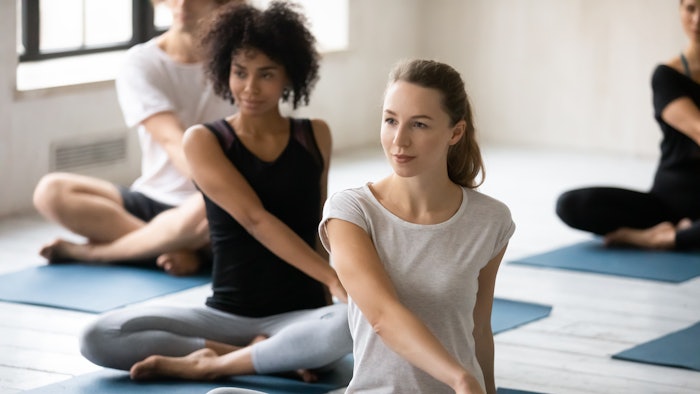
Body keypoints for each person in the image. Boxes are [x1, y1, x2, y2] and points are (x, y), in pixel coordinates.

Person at [79, 1, 351, 383]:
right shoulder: (205, 141)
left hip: (299, 315)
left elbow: (319, 224)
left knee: (343, 328)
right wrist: (333, 279)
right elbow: (256, 220)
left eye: (266, 74)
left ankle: (224, 362)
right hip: (226, 315)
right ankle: (250, 355)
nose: (249, 88)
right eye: (240, 73)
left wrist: (335, 295)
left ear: (289, 76)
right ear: (225, 70)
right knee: (99, 336)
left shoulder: (315, 135)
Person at [320, 59, 516, 394]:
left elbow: (479, 329)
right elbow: (382, 316)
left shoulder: (490, 221)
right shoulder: (350, 212)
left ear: (455, 132)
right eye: (390, 120)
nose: (399, 140)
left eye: (419, 125)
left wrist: (485, 388)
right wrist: (461, 378)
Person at [31, 0, 238, 275]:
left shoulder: (242, 62)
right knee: (51, 191)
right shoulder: (141, 61)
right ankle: (175, 250)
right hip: (154, 198)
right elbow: (171, 141)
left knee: (228, 204)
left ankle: (94, 252)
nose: (183, 4)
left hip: (212, 203)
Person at [555, 0, 700, 251]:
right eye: (690, 8)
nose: (697, 19)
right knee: (571, 204)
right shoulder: (666, 76)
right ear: (680, 11)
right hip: (668, 202)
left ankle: (659, 239)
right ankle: (670, 233)